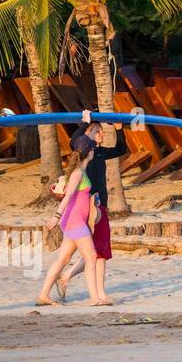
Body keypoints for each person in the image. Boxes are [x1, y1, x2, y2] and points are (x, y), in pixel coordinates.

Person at [56, 112, 125, 304]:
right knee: (90, 252)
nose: (101, 133)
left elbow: (121, 149)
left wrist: (119, 129)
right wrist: (83, 123)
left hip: (100, 205)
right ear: (88, 134)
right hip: (87, 208)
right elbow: (73, 143)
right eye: (97, 130)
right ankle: (74, 283)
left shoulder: (100, 152)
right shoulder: (83, 153)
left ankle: (94, 291)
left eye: (102, 130)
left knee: (99, 251)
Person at [37, 134, 107, 307]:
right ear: (89, 152)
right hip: (74, 222)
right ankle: (94, 298)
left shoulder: (81, 171)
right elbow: (68, 196)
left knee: (63, 259)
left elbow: (78, 196)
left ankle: (43, 295)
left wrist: (92, 201)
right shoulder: (77, 173)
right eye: (92, 148)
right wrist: (56, 216)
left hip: (74, 221)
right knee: (91, 256)